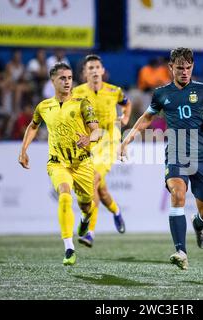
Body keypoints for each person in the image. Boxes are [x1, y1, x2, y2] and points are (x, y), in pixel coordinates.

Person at [120, 48, 203, 270]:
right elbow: (146, 118)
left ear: (192, 67)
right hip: (176, 153)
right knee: (177, 194)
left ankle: (199, 225)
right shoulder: (161, 94)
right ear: (171, 68)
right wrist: (127, 139)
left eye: (188, 68)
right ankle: (181, 251)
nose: (185, 72)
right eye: (180, 68)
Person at [18, 63, 100, 266]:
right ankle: (69, 247)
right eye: (62, 78)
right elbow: (33, 126)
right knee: (64, 195)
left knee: (87, 205)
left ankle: (84, 219)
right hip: (57, 163)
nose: (67, 82)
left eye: (70, 78)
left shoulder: (82, 103)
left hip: (82, 164)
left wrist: (89, 139)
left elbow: (97, 131)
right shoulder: (44, 106)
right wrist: (23, 150)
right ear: (52, 81)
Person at [72, 54, 131, 247]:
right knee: (101, 190)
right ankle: (116, 211)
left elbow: (127, 103)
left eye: (97, 67)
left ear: (103, 71)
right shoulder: (77, 92)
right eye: (90, 68)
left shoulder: (114, 91)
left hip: (109, 141)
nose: (95, 71)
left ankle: (89, 231)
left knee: (93, 180)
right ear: (84, 73)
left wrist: (125, 119)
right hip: (89, 141)